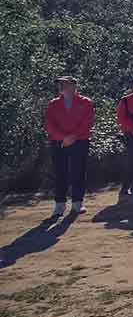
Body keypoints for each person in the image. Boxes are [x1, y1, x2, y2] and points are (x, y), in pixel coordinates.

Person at [45, 76, 95, 217]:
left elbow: (87, 123)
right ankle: (60, 205)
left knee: (78, 171)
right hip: (58, 142)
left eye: (64, 84)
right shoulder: (53, 104)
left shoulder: (86, 102)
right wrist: (63, 137)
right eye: (60, 84)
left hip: (80, 141)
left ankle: (77, 203)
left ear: (73, 86)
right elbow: (49, 124)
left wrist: (73, 137)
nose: (61, 86)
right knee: (60, 172)